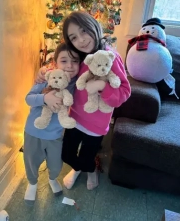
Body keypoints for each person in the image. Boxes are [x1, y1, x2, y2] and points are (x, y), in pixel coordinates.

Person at [36, 11, 131, 191]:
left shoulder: (109, 57)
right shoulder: (78, 55)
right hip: (75, 118)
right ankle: (79, 167)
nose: (81, 40)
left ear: (93, 27)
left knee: (88, 157)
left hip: (96, 125)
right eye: (74, 37)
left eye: (83, 31)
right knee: (67, 154)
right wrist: (44, 71)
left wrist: (102, 86)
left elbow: (124, 91)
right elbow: (64, 69)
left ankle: (91, 169)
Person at [23, 42, 80, 205]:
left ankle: (52, 178)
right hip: (33, 131)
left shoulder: (76, 84)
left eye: (75, 61)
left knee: (56, 163)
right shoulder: (46, 78)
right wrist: (44, 98)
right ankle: (32, 183)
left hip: (55, 135)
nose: (69, 65)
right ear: (54, 63)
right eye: (64, 60)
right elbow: (28, 98)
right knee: (31, 161)